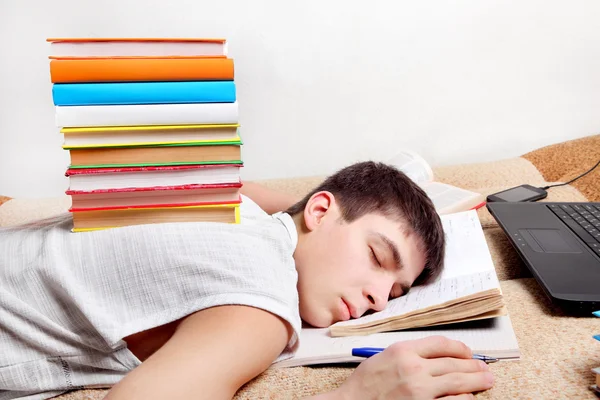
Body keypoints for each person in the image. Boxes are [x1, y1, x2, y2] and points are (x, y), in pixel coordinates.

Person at [0, 161, 494, 400]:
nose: (377, 299)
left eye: (395, 292)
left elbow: (267, 195)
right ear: (320, 210)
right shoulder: (259, 304)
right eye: (376, 255)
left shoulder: (239, 206)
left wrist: (314, 217)